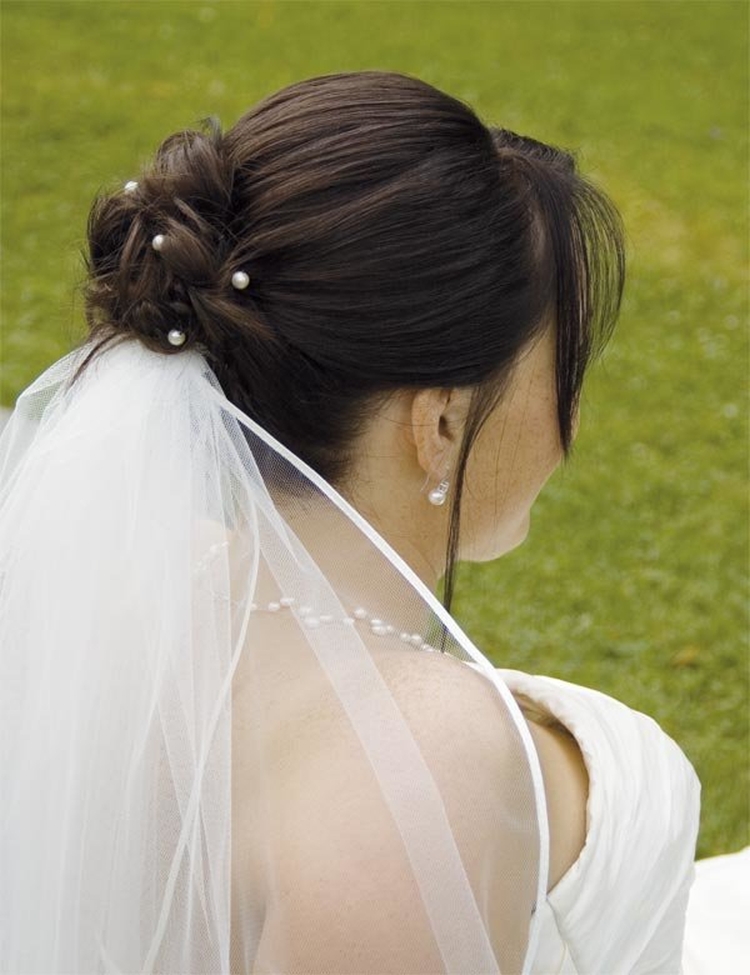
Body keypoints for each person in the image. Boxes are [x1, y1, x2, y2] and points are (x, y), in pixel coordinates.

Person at [0, 70, 716, 974]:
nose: (572, 425)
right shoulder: (420, 765)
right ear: (441, 421)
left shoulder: (111, 579)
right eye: (560, 370)